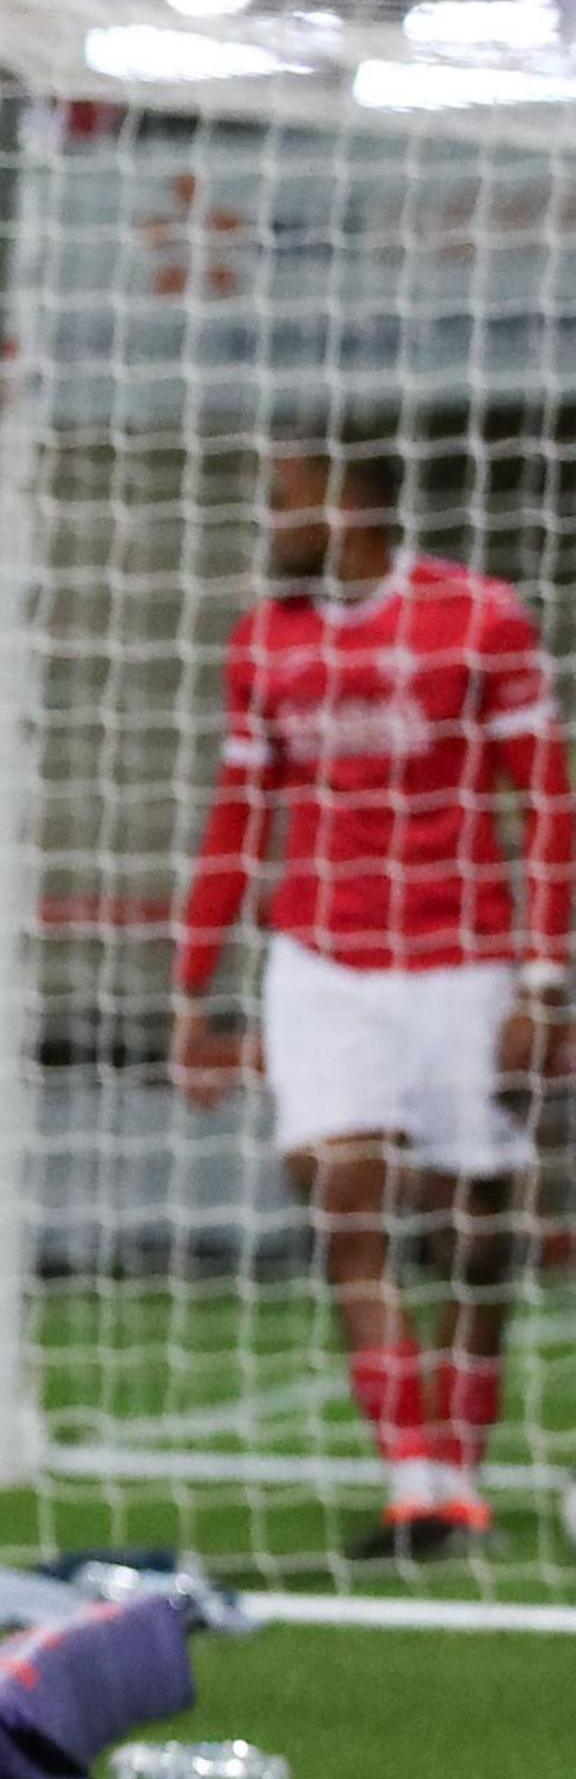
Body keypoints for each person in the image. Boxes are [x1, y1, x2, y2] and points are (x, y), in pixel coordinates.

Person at [171, 441, 569, 1560]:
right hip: (324, 960)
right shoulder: (263, 641)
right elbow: (239, 816)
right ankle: (416, 1484)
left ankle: (462, 1460)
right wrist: (193, 985)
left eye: (282, 502)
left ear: (350, 504)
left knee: (473, 1232)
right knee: (344, 1200)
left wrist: (544, 974)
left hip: (462, 958)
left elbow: (544, 801)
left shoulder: (479, 620)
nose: (269, 522)